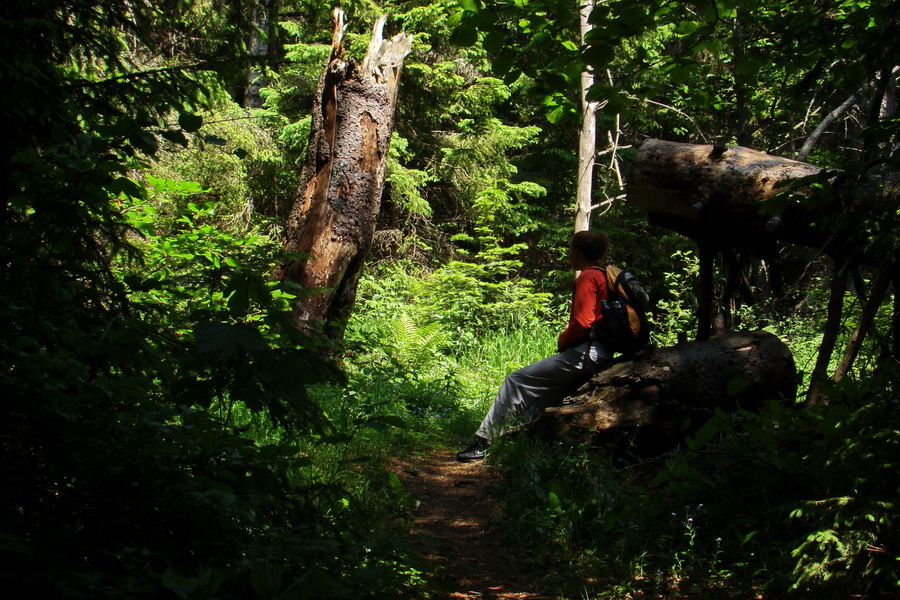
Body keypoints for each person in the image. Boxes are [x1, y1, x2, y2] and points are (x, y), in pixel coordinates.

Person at [456, 230, 615, 462]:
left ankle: (484, 443)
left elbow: (582, 322)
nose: (569, 253)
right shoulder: (605, 276)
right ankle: (516, 447)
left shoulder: (588, 277)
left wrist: (563, 340)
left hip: (585, 354)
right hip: (602, 352)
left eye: (570, 249)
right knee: (545, 397)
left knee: (516, 381)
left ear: (577, 252)